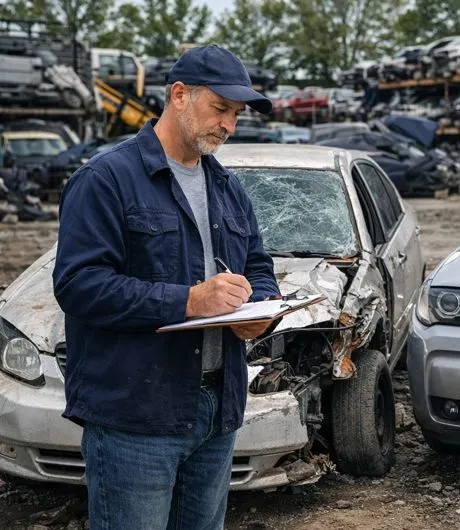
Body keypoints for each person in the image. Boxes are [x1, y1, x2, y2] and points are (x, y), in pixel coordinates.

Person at [51, 45, 281, 530]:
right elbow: (79, 285)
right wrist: (188, 300)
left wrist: (260, 309)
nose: (229, 125)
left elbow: (258, 267)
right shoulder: (106, 179)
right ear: (179, 95)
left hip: (217, 411)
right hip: (136, 416)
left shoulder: (227, 188)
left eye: (236, 115)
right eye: (220, 108)